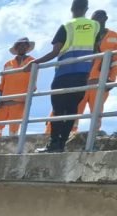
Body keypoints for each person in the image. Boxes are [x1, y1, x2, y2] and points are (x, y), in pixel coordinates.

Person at [34, 0, 102, 152]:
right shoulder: (95, 26)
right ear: (86, 9)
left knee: (58, 109)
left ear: (72, 8)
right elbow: (97, 50)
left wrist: (33, 63)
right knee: (72, 110)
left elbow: (55, 51)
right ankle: (62, 144)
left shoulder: (67, 26)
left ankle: (53, 143)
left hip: (64, 73)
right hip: (82, 75)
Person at [0, 38, 35, 137]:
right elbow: (2, 83)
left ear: (27, 47)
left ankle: (13, 145)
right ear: (16, 48)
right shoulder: (7, 64)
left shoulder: (33, 61)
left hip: (20, 101)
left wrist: (28, 99)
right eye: (20, 45)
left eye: (25, 45)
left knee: (14, 128)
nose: (22, 47)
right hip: (4, 101)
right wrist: (0, 99)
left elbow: (33, 82)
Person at [79, 11, 117, 118]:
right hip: (83, 80)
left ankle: (95, 133)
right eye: (93, 19)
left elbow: (115, 60)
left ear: (105, 18)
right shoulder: (86, 36)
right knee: (75, 110)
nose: (96, 21)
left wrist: (111, 80)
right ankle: (72, 133)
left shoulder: (114, 36)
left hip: (101, 80)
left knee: (97, 112)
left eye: (99, 17)